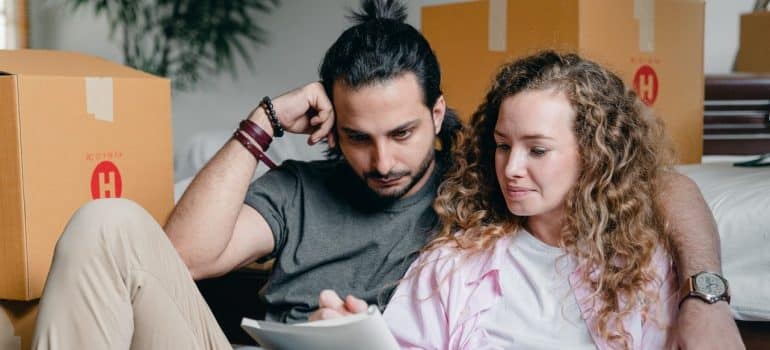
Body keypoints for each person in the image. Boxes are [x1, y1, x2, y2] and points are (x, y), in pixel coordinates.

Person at [30, 0, 741, 349]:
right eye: (358, 137)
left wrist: (706, 295)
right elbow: (180, 257)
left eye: (402, 133)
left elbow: (655, 182)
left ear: (439, 115)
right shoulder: (302, 189)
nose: (383, 162)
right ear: (331, 126)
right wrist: (265, 121)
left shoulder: (487, 164)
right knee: (108, 221)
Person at [383, 51, 680, 349]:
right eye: (503, 146)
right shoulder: (450, 265)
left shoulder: (644, 268)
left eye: (537, 150)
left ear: (594, 155)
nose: (511, 169)